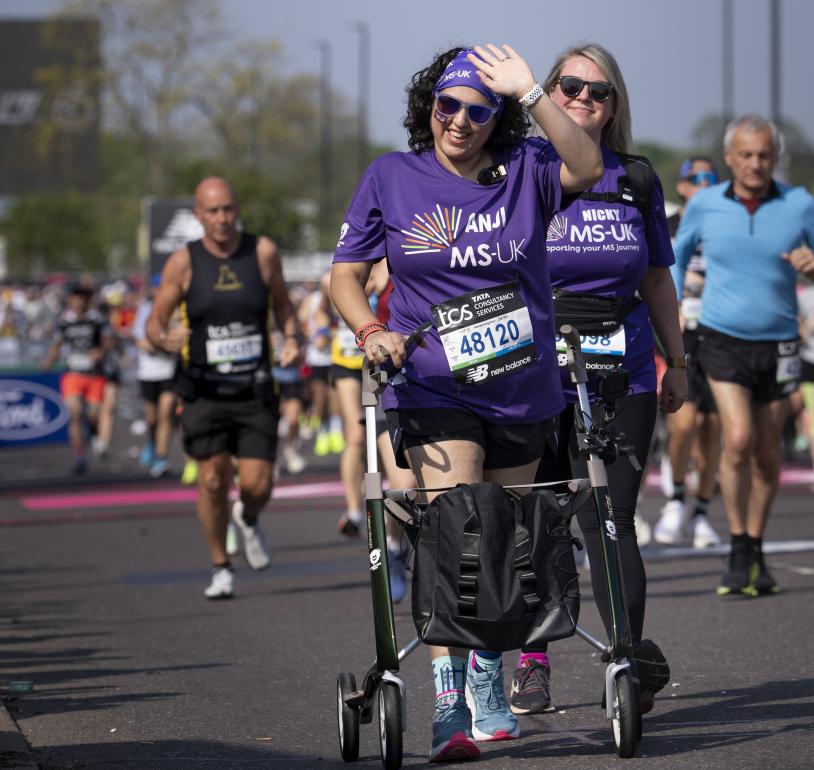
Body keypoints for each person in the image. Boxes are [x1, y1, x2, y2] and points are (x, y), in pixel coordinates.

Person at [331, 43, 602, 763]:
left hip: (522, 387)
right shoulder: (390, 176)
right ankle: (449, 701)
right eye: (446, 105)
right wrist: (371, 329)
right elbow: (346, 275)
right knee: (460, 528)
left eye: (477, 110)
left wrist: (532, 91)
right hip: (433, 382)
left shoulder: (528, 170)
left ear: (496, 119)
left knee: (512, 545)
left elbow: (588, 166)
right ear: (429, 106)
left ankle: (488, 677)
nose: (458, 120)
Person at [513, 43, 686, 719]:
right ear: (549, 94)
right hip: (537, 366)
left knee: (612, 519)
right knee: (542, 519)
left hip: (626, 366)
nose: (584, 99)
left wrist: (682, 362)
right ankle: (533, 661)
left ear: (615, 105)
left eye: (598, 91)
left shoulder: (637, 178)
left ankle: (626, 657)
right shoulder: (521, 171)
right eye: (570, 86)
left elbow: (656, 277)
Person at [673, 114, 814, 596]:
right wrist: (670, 310)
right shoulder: (706, 205)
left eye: (764, 155)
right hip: (721, 337)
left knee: (767, 453)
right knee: (737, 438)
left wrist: (812, 267)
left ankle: (755, 544)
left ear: (775, 158)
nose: (755, 163)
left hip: (780, 343)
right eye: (746, 155)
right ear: (731, 158)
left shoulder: (799, 205)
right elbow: (675, 255)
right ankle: (736, 543)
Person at [147, 177, 301, 599]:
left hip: (254, 389)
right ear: (198, 215)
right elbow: (153, 322)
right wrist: (163, 339)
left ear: (237, 209)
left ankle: (248, 518)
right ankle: (220, 566)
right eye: (212, 211)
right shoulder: (184, 261)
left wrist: (292, 339)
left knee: (256, 485)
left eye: (228, 209)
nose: (221, 219)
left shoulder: (263, 252)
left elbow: (285, 307)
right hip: (203, 391)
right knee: (212, 479)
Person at [653, 158, 723, 548]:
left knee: (713, 430)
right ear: (681, 187)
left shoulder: (725, 224)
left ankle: (701, 513)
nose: (703, 184)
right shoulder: (670, 223)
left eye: (711, 179)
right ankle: (676, 499)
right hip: (683, 336)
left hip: (719, 335)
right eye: (695, 179)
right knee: (683, 426)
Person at [42, 285, 111, 475]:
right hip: (73, 374)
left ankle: (94, 433)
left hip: (95, 374)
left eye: (84, 297)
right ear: (71, 299)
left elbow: (108, 340)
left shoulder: (97, 319)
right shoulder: (64, 321)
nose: (80, 301)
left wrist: (101, 352)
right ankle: (80, 456)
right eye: (77, 297)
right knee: (75, 412)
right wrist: (48, 361)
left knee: (94, 414)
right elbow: (57, 344)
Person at [132, 275, 178, 478]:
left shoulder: (176, 309)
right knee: (151, 417)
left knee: (166, 412)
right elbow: (139, 340)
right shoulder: (145, 309)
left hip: (169, 371)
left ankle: (161, 457)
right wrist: (161, 344)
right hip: (148, 372)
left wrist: (168, 343)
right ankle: (151, 441)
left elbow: (179, 337)